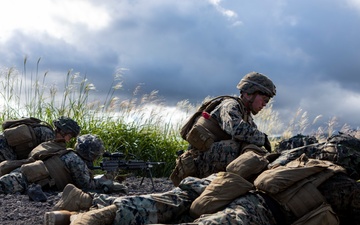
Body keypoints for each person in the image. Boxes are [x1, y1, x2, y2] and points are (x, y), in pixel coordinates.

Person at [46, 133, 360, 225]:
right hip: (259, 205)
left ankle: (81, 211)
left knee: (165, 203)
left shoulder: (305, 152)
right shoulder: (343, 179)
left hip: (226, 182)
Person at [171, 71, 277, 185]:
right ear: (248, 94)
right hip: (199, 162)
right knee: (242, 147)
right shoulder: (230, 105)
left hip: (210, 159)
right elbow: (236, 129)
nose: (265, 104)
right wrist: (263, 138)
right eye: (265, 99)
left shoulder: (246, 115)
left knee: (254, 149)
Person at [0, 117, 127, 196]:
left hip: (17, 176)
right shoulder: (74, 160)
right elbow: (88, 186)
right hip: (17, 183)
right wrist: (109, 177)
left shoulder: (61, 151)